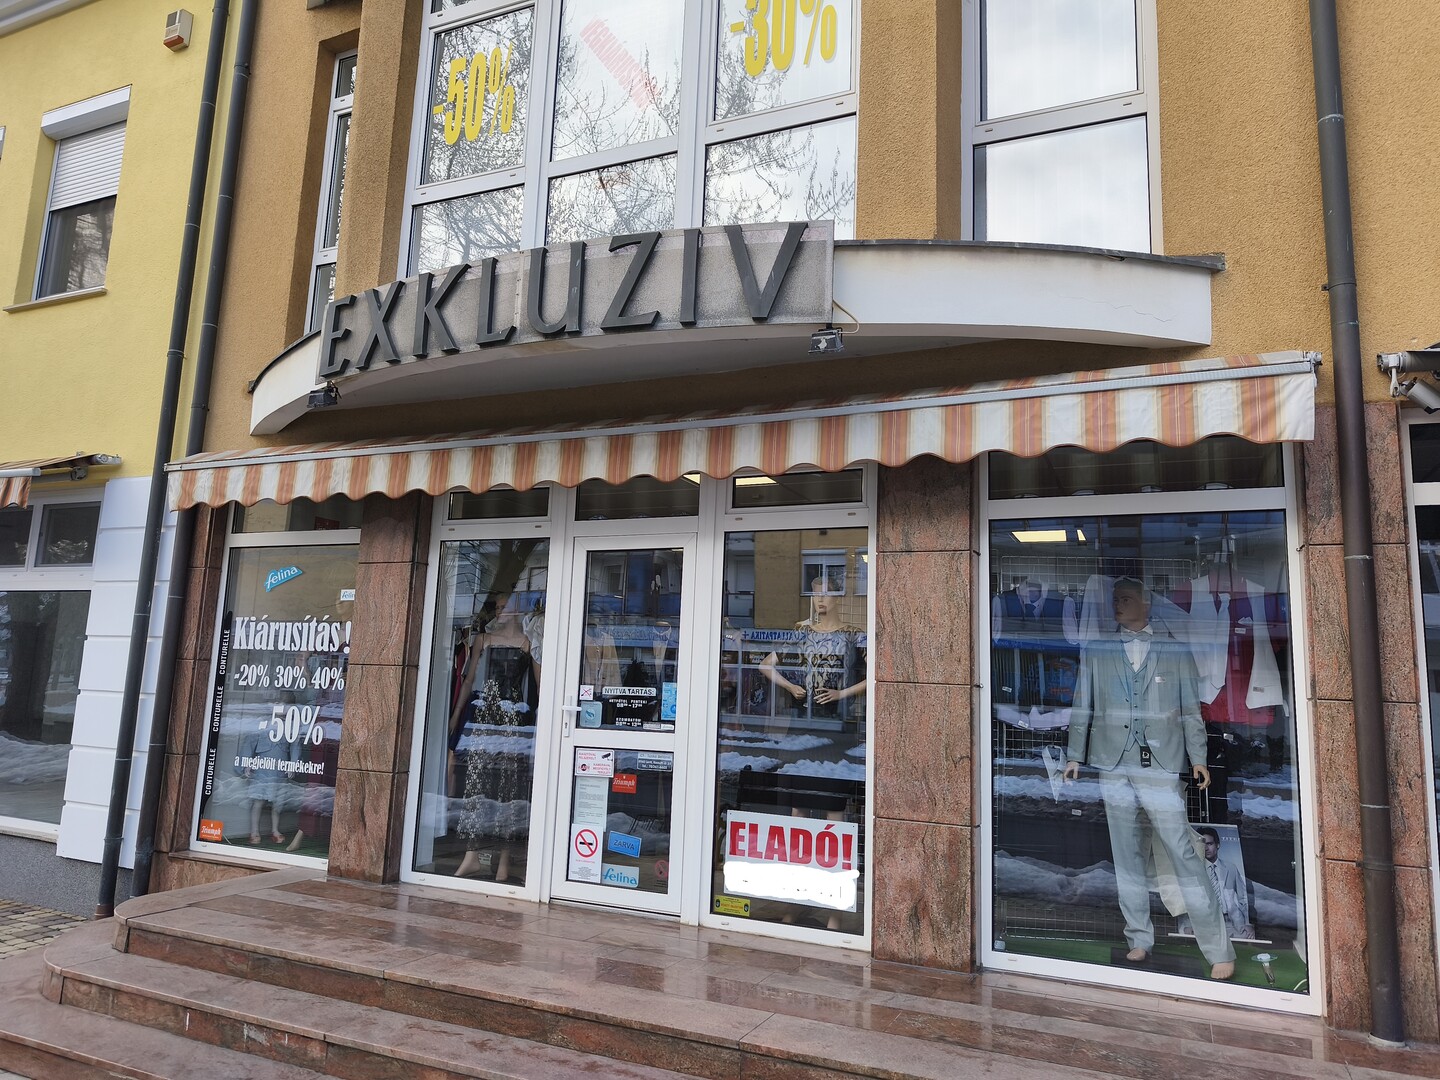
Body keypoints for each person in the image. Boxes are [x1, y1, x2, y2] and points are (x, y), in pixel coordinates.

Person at [1063, 577, 1236, 980]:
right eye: (1115, 600)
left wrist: (1198, 758)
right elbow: (1082, 705)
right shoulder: (1098, 650)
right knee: (1127, 854)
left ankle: (1217, 948)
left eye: (1125, 599)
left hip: (1161, 762)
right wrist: (1074, 754)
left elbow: (1190, 711)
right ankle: (1138, 936)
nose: (1117, 606)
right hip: (1112, 761)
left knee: (1183, 851)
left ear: (1146, 603)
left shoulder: (1176, 651)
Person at [1196, 826, 1253, 938]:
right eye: (1202, 845)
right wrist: (1188, 925)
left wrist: (1247, 923)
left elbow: (1243, 898)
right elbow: (1188, 900)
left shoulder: (1231, 868)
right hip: (1205, 923)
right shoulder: (1196, 870)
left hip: (1232, 923)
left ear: (1218, 845)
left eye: (1209, 844)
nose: (1206, 848)